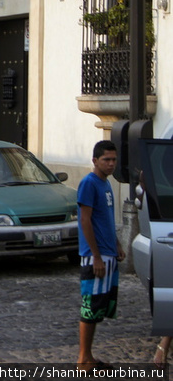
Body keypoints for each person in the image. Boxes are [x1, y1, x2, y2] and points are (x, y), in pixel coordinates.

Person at [77, 139, 125, 372]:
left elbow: (105, 218)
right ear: (95, 160)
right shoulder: (89, 183)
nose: (111, 164)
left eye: (114, 159)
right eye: (106, 159)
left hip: (108, 254)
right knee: (90, 307)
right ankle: (83, 358)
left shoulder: (106, 184)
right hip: (94, 256)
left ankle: (89, 356)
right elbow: (85, 220)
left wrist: (116, 243)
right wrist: (95, 256)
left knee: (99, 309)